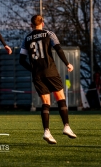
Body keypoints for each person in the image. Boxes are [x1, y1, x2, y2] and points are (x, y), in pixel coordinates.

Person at [19, 15, 77, 144]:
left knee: (46, 103)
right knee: (61, 98)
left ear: (31, 25)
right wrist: (67, 63)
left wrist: (32, 70)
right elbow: (58, 49)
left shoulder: (26, 38)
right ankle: (66, 126)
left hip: (37, 75)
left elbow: (21, 60)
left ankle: (46, 131)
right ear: (43, 24)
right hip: (50, 71)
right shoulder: (49, 34)